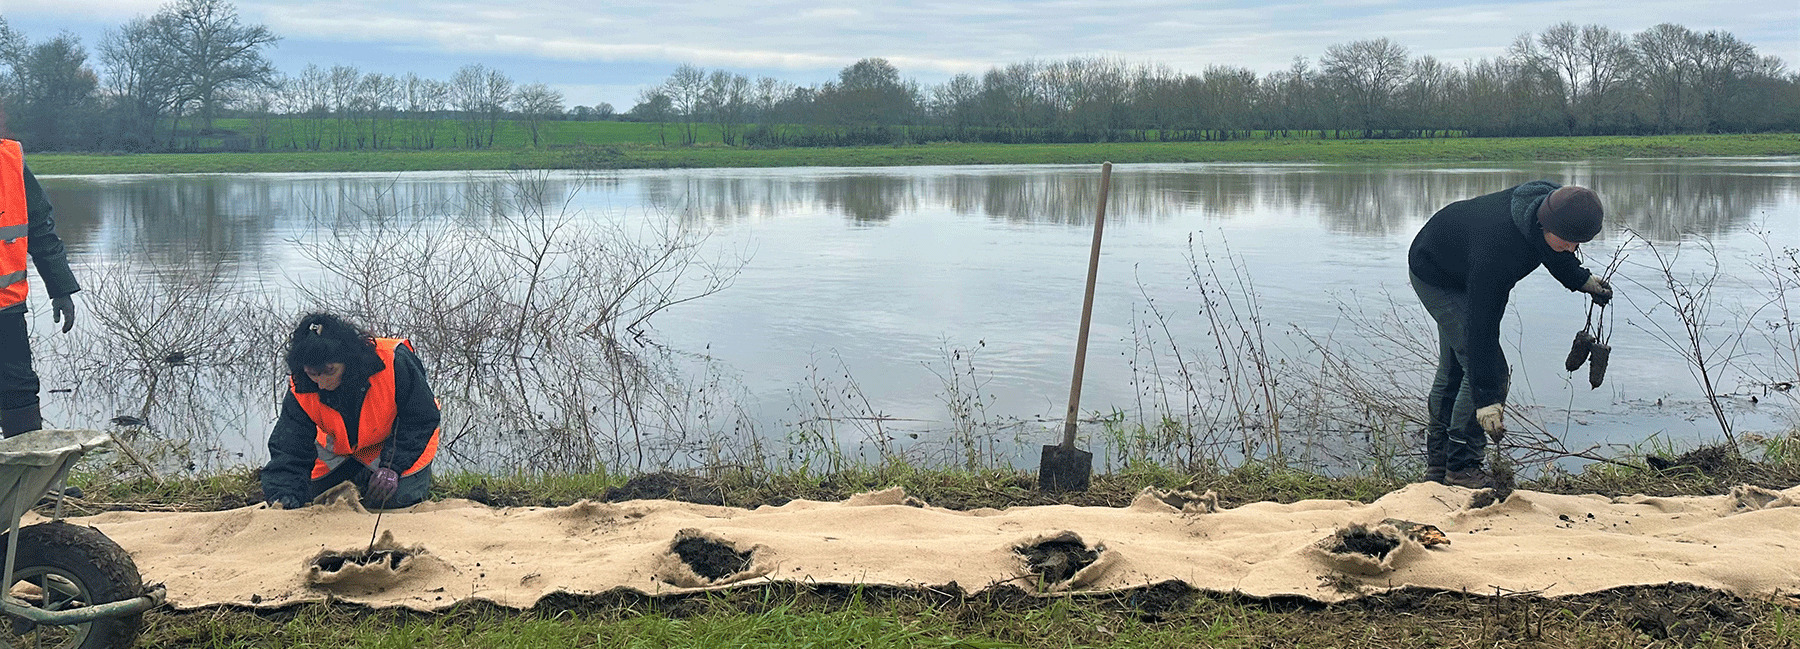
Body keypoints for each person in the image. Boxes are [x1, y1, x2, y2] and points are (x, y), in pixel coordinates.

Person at [1408, 181, 1613, 488]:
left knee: (1457, 368)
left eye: (1577, 243)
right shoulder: (1497, 253)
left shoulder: (1554, 205)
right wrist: (1487, 401)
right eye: (1568, 241)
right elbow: (1482, 330)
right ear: (1545, 221)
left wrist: (1581, 279)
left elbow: (1552, 248)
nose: (1571, 248)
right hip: (1436, 273)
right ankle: (1461, 466)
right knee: (1486, 369)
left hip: (1463, 258)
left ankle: (1438, 469)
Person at [261, 313, 441, 509]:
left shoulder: (394, 360)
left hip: (398, 442)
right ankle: (361, 476)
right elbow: (290, 444)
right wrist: (284, 493)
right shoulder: (301, 384)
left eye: (330, 371)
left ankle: (376, 477)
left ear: (348, 360)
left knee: (397, 499)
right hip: (341, 448)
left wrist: (392, 467)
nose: (321, 383)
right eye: (313, 374)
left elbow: (420, 420)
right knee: (307, 494)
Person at [0, 137, 80, 438]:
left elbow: (39, 225)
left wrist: (61, 287)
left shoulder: (8, 158)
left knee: (19, 387)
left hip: (5, 306)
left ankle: (30, 478)